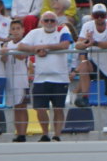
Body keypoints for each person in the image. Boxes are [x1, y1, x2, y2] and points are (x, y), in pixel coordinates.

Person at [17, 11, 74, 141]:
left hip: (60, 78)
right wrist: (36, 49)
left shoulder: (62, 29)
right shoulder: (35, 33)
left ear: (56, 22)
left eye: (52, 20)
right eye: (46, 20)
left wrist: (45, 47)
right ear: (41, 22)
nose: (49, 23)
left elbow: (65, 44)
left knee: (58, 108)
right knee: (40, 108)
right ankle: (45, 133)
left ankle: (57, 135)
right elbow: (21, 45)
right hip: (41, 77)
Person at [75, 4, 107, 140]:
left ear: (106, 15)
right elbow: (78, 45)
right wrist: (86, 43)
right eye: (96, 15)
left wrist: (94, 43)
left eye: (102, 15)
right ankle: (85, 97)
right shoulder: (88, 26)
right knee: (84, 65)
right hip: (96, 62)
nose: (99, 18)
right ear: (92, 16)